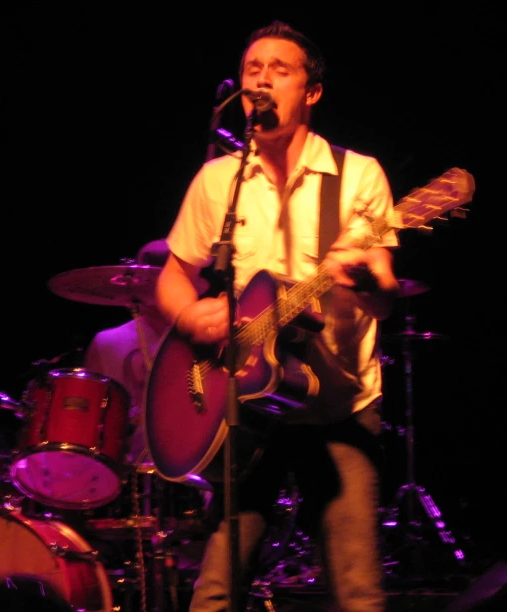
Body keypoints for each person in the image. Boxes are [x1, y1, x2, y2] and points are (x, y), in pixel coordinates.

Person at [152, 20, 401, 612]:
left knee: (358, 592)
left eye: (279, 70)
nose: (261, 79)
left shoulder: (359, 175)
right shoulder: (220, 179)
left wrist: (371, 282)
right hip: (248, 403)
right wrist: (192, 321)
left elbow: (384, 295)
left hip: (339, 405)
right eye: (252, 70)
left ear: (310, 92)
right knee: (215, 590)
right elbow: (173, 274)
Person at [83, 238, 174, 467]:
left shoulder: (202, 338)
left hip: (191, 468)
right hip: (125, 471)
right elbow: (91, 420)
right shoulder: (107, 342)